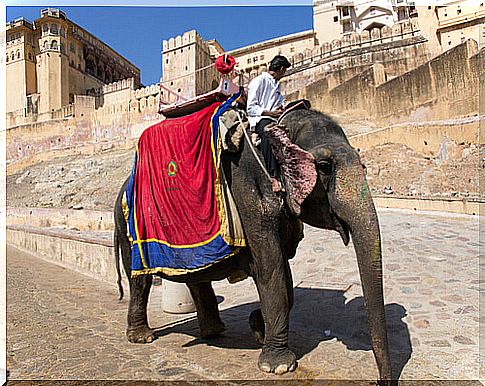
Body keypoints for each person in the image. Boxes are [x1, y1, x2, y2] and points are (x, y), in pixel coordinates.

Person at [247, 55, 291, 193]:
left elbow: (280, 102)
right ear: (282, 69)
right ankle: (274, 176)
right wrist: (270, 113)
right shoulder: (258, 81)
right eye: (284, 71)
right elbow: (251, 108)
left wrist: (282, 108)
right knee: (268, 132)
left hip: (276, 117)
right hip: (261, 119)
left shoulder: (276, 85)